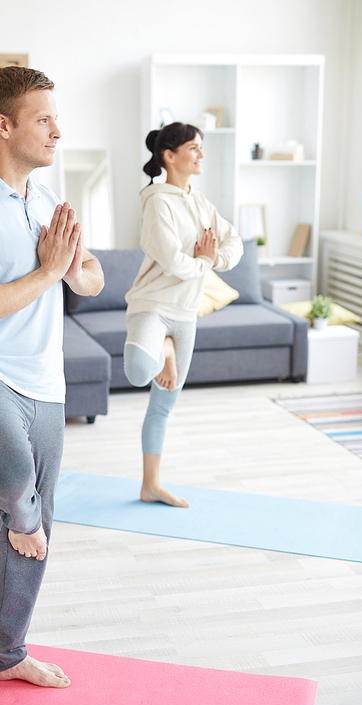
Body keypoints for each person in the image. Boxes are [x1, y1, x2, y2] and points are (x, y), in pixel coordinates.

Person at [0, 66, 104, 687]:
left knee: (37, 524)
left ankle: (6, 655)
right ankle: (21, 516)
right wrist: (48, 270)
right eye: (44, 119)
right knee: (13, 486)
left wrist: (68, 265)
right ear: (3, 126)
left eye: (57, 118)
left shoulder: (44, 204)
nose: (58, 130)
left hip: (45, 382)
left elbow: (91, 278)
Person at [124, 122, 243, 508]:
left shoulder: (201, 202)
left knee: (163, 405)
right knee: (139, 371)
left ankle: (151, 485)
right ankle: (166, 349)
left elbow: (234, 242)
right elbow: (173, 261)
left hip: (185, 314)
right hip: (154, 306)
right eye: (194, 147)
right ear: (169, 156)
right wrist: (204, 262)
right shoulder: (157, 201)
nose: (201, 155)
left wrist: (212, 259)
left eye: (201, 147)